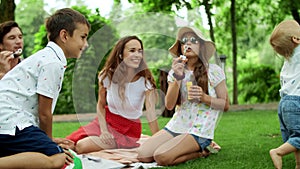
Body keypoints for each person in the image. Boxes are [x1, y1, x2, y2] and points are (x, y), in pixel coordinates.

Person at [0, 8, 90, 169]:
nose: (86, 44)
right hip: (11, 121)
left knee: (46, 151)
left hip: (8, 122)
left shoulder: (46, 57)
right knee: (57, 157)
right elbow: (44, 113)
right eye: (83, 37)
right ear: (64, 36)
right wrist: (49, 144)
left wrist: (47, 140)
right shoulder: (52, 63)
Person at [137, 26, 229, 166]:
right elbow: (169, 105)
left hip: (199, 130)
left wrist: (204, 98)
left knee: (161, 156)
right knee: (143, 154)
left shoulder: (214, 71)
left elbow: (226, 105)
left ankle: (203, 151)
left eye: (194, 40)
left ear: (202, 46)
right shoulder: (175, 72)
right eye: (184, 41)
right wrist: (177, 77)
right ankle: (187, 147)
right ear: (180, 48)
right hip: (177, 125)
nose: (188, 43)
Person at [66, 35, 160, 154]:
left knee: (81, 146)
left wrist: (158, 140)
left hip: (127, 130)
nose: (137, 55)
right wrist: (104, 131)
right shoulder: (107, 76)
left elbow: (151, 113)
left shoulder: (145, 81)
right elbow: (100, 105)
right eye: (132, 51)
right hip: (105, 122)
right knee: (68, 143)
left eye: (140, 51)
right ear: (120, 54)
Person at [269, 20, 300, 169]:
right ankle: (278, 152)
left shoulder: (288, 61)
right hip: (296, 102)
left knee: (295, 138)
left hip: (284, 104)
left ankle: (298, 164)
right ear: (296, 39)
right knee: (299, 137)